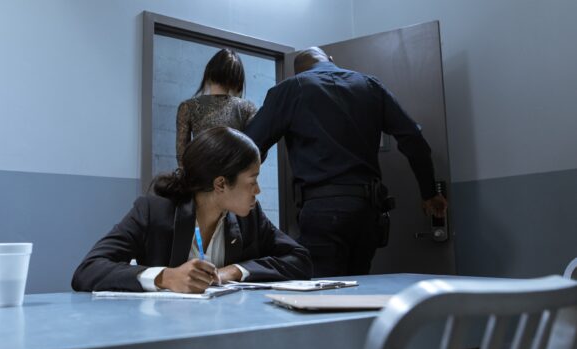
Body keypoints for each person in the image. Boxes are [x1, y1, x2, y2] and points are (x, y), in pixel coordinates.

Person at [243, 47, 448, 277]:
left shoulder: (291, 89)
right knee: (358, 288)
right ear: (331, 60)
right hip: (368, 211)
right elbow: (413, 138)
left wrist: (239, 198)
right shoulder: (370, 86)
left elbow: (248, 146)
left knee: (324, 293)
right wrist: (429, 192)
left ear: (297, 72)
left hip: (321, 210)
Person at [72, 127, 312, 293]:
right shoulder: (154, 210)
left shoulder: (250, 216)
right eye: (252, 181)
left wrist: (235, 271)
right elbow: (88, 270)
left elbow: (300, 259)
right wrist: (165, 277)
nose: (257, 191)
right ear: (220, 184)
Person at [175, 48, 257, 167]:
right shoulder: (247, 108)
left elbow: (181, 156)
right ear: (237, 79)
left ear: (209, 73)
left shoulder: (188, 107)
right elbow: (255, 151)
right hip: (234, 177)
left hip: (200, 177)